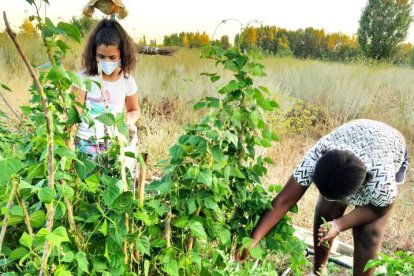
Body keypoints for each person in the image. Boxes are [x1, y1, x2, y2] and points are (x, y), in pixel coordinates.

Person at [235, 119, 408, 276]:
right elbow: (284, 200)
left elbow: (379, 209)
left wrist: (339, 225)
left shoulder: (381, 181)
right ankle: (318, 271)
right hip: (353, 138)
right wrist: (253, 239)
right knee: (326, 215)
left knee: (369, 233)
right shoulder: (319, 154)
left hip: (390, 146)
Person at [71, 19, 139, 159]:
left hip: (114, 142)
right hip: (86, 142)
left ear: (122, 55)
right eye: (101, 56)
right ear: (93, 53)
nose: (106, 61)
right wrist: (69, 145)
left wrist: (128, 121)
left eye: (112, 57)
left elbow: (134, 110)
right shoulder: (84, 77)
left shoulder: (127, 81)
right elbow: (74, 114)